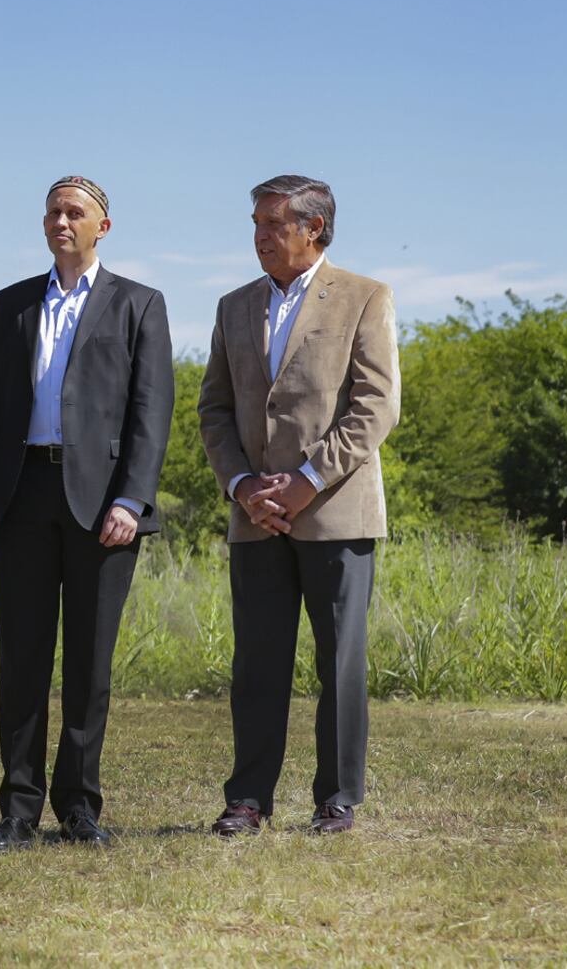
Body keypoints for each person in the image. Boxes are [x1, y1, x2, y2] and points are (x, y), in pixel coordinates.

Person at [0, 176, 174, 854]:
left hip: (104, 506)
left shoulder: (139, 304)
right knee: (22, 662)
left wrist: (131, 500)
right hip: (19, 498)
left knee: (89, 664)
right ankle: (17, 811)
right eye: (52, 211)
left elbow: (151, 410)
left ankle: (79, 806)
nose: (60, 220)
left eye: (74, 212)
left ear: (103, 227)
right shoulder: (12, 304)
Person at [197, 174, 400, 836]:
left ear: (314, 228)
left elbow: (376, 407)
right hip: (255, 518)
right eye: (255, 223)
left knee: (338, 658)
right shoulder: (233, 306)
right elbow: (215, 411)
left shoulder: (366, 298)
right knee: (257, 663)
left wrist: (308, 480)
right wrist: (244, 487)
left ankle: (337, 800)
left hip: (337, 513)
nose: (259, 236)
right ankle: (248, 799)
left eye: (274, 224)